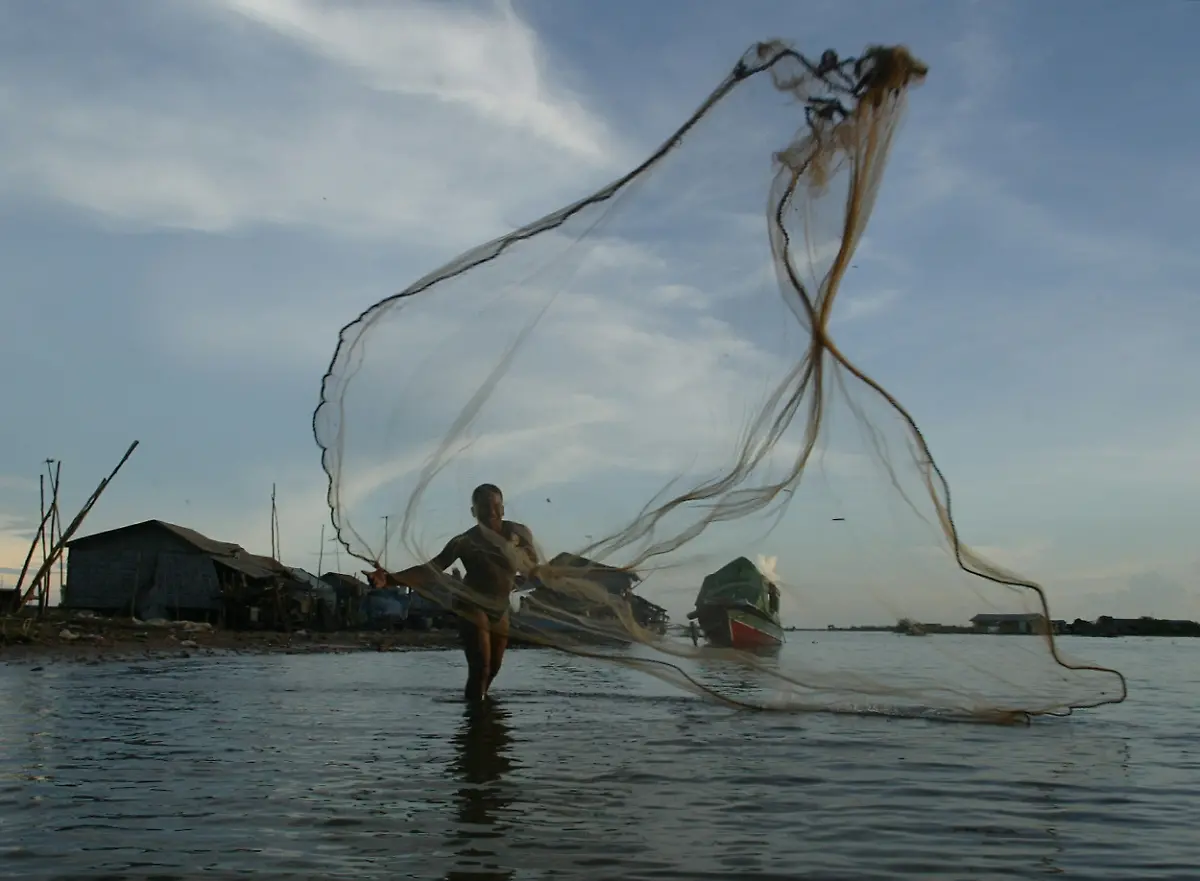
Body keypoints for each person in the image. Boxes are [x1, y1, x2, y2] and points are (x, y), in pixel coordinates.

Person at [366, 483, 538, 701]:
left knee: (493, 668)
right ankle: (476, 722)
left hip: (500, 607)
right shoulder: (465, 541)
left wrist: (524, 573)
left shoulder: (518, 533)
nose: (491, 513)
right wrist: (389, 579)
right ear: (474, 512)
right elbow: (432, 568)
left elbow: (533, 563)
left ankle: (482, 709)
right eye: (484, 507)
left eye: (495, 507)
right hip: (471, 605)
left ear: (503, 509)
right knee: (481, 667)